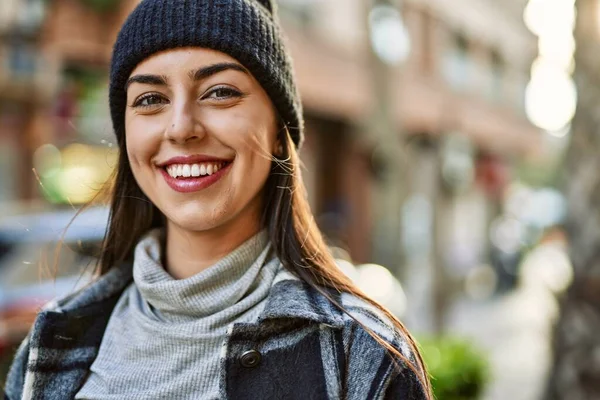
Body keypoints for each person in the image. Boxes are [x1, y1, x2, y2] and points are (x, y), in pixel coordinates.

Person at [4, 0, 432, 398]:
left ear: (278, 132)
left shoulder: (362, 352)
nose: (180, 127)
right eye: (150, 99)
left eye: (220, 92)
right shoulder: (51, 343)